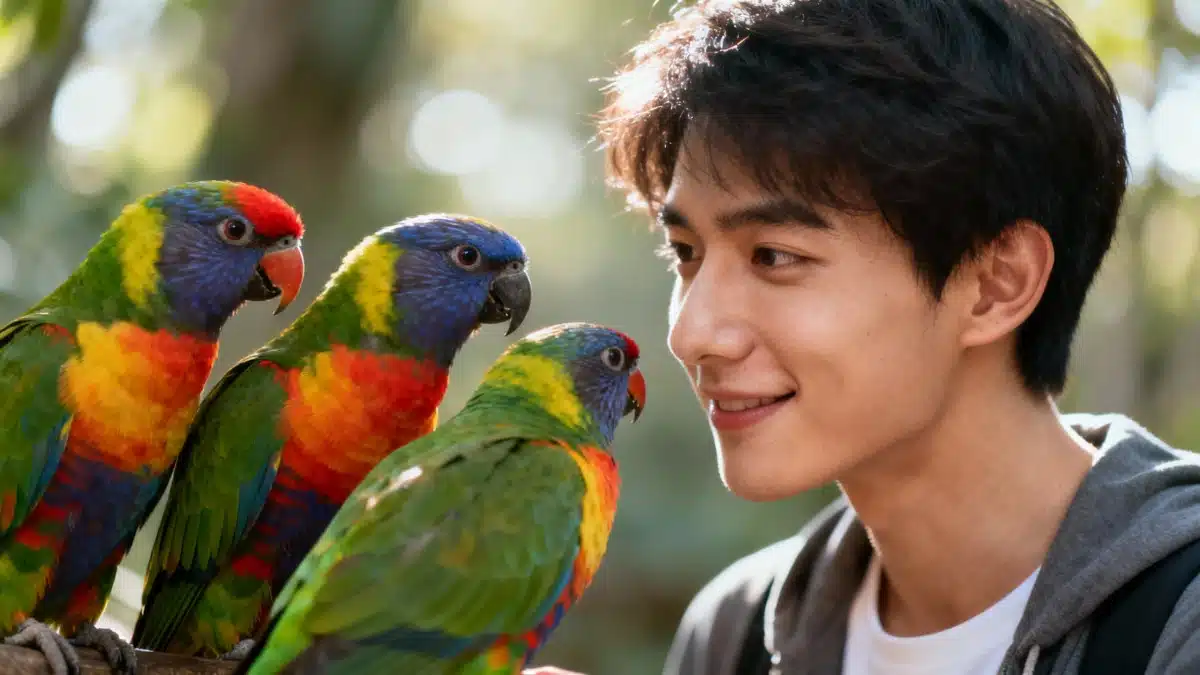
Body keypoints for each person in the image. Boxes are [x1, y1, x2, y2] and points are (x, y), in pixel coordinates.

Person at [528, 0, 1200, 674]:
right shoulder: (737, 633)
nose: (689, 333)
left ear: (996, 283)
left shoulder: (1178, 622)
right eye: (686, 252)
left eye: (773, 256)